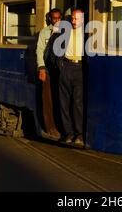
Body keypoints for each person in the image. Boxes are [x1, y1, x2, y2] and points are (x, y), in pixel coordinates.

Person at [48, 8, 85, 146]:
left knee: (77, 103)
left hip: (80, 69)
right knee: (64, 103)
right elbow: (53, 48)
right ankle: (68, 133)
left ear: (82, 19)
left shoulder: (87, 32)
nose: (74, 21)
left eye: (77, 19)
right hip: (66, 67)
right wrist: (59, 65)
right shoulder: (65, 30)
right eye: (73, 18)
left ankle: (79, 134)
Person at [36, 8, 62, 139]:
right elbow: (40, 50)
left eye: (59, 18)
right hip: (47, 70)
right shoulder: (45, 32)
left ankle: (62, 126)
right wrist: (41, 68)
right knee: (48, 100)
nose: (56, 20)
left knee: (60, 99)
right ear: (50, 19)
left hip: (61, 71)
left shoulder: (66, 31)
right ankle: (50, 128)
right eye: (54, 18)